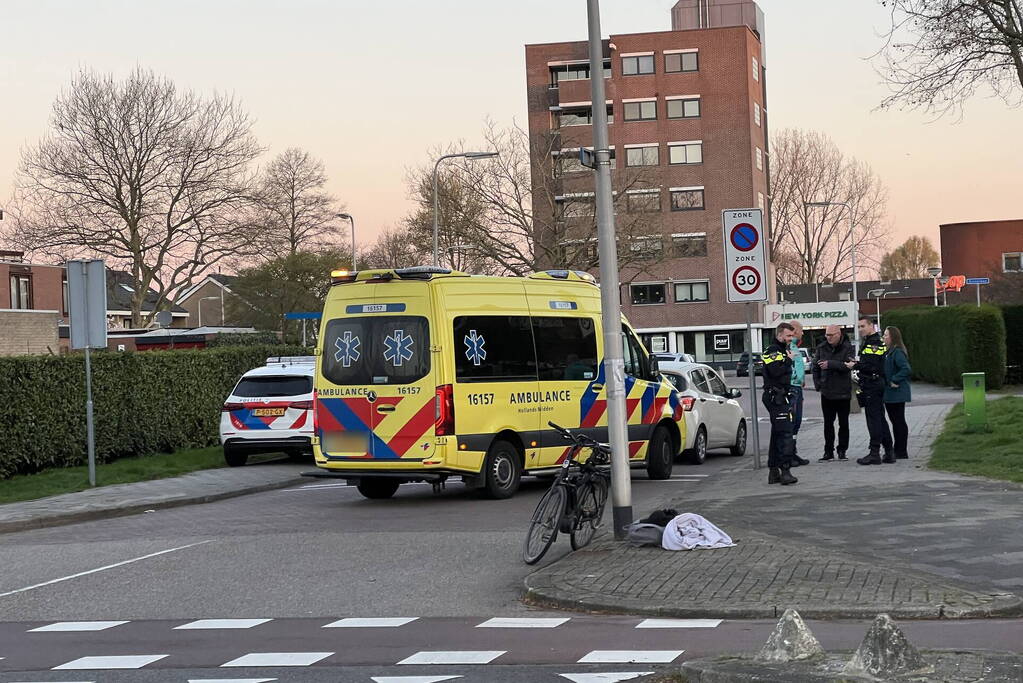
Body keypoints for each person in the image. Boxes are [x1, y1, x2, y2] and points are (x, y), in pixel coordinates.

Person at [846, 316, 894, 465]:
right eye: (858, 327)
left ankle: (874, 453)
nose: (860, 329)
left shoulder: (873, 343)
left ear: (871, 326)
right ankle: (889, 451)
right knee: (879, 418)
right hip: (874, 383)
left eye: (862, 326)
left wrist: (855, 366)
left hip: (872, 384)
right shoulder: (871, 342)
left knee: (873, 420)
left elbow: (873, 366)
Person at [762, 322, 798, 485]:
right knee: (785, 434)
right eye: (788, 336)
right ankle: (785, 471)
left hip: (780, 395)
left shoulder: (782, 350)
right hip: (776, 396)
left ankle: (773, 471)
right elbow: (775, 371)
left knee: (777, 434)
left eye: (792, 336)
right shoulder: (773, 350)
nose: (791, 339)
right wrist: (789, 361)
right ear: (779, 335)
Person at [812, 324, 855, 461]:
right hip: (827, 392)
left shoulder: (847, 347)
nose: (828, 337)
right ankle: (828, 451)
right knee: (828, 424)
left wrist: (830, 364)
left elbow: (848, 366)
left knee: (844, 423)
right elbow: (815, 367)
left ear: (839, 334)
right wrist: (818, 384)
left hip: (843, 392)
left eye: (830, 335)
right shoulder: (821, 348)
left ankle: (842, 450)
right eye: (826, 335)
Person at [883, 326, 912, 460]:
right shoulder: (889, 352)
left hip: (897, 393)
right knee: (896, 421)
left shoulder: (897, 352)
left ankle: (901, 450)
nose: (884, 337)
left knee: (898, 421)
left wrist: (894, 379)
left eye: (886, 335)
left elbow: (906, 369)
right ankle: (898, 448)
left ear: (893, 337)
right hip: (890, 393)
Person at [786, 320, 810, 467]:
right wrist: (797, 379)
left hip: (796, 387)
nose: (802, 333)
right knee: (793, 422)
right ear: (794, 331)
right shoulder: (789, 347)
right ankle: (789, 454)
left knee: (796, 423)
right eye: (801, 330)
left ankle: (792, 453)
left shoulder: (793, 346)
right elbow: (791, 368)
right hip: (793, 388)